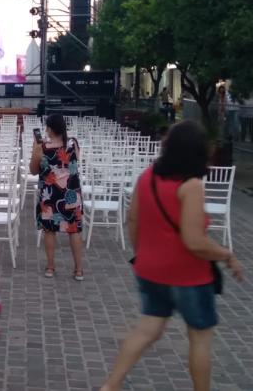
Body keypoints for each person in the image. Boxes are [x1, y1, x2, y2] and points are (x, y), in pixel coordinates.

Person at [98, 121, 244, 391]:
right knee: (200, 339)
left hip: (150, 270)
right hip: (188, 275)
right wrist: (226, 254)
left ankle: (111, 385)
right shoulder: (191, 186)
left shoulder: (148, 176)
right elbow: (194, 241)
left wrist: (142, 253)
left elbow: (133, 220)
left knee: (146, 330)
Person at [30, 114, 85, 280]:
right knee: (73, 230)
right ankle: (78, 270)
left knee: (50, 231)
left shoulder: (42, 147)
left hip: (50, 195)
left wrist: (36, 150)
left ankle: (50, 267)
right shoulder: (73, 143)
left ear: (50, 128)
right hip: (71, 194)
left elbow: (33, 170)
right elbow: (75, 164)